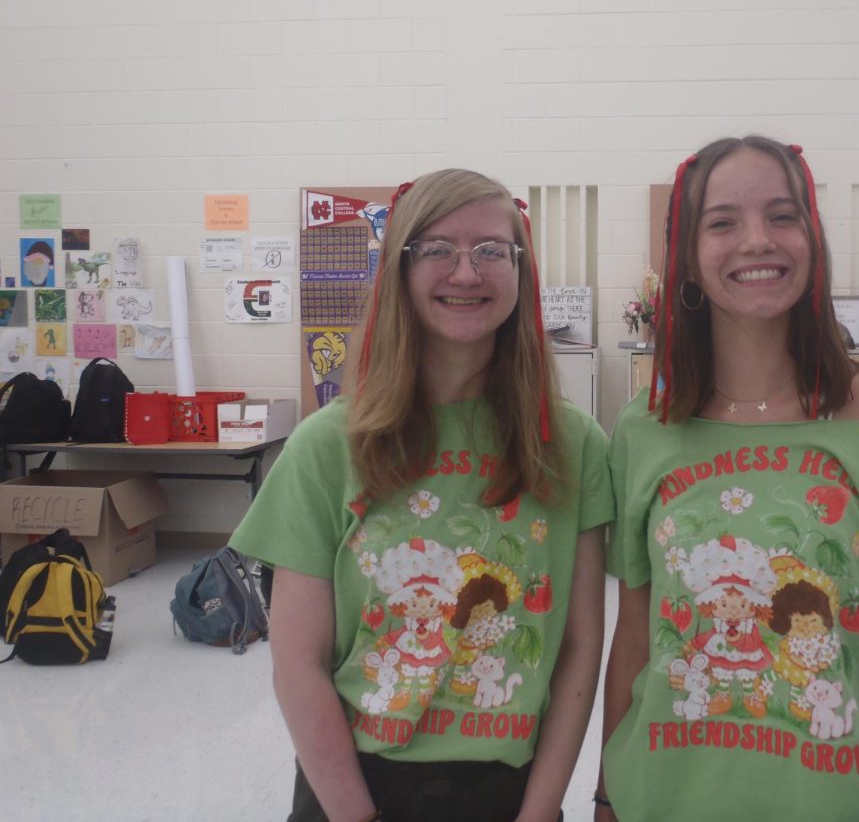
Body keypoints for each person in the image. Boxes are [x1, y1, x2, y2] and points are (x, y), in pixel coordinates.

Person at [230, 169, 613, 822]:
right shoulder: (327, 446)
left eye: (491, 250)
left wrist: (541, 810)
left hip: (511, 791)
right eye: (437, 249)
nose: (466, 273)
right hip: (354, 786)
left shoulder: (572, 443)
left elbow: (579, 648)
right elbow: (298, 664)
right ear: (401, 271)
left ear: (522, 273)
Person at [596, 137, 859, 822]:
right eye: (723, 222)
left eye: (783, 216)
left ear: (812, 241)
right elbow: (635, 638)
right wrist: (607, 798)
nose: (757, 240)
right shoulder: (647, 427)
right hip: (663, 801)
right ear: (690, 261)